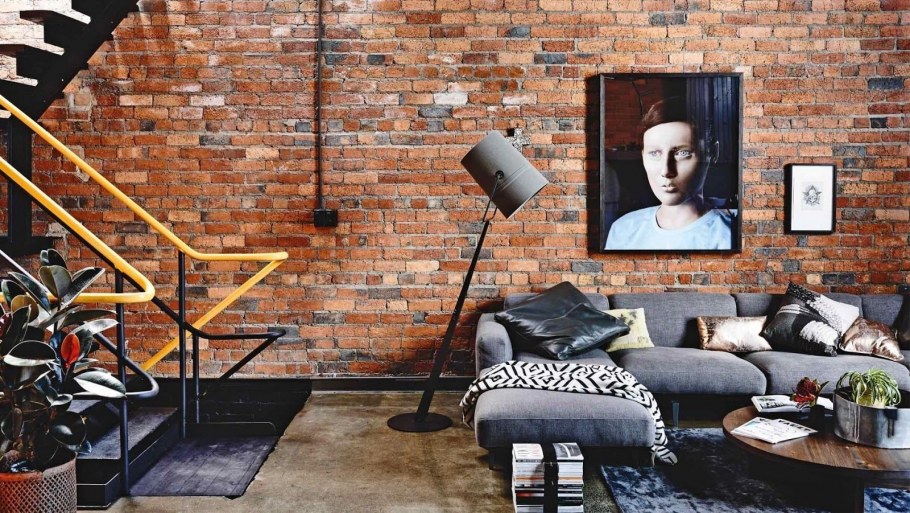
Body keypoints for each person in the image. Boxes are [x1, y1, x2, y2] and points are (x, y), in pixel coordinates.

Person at [604, 97, 733, 250]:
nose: (666, 171)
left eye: (683, 153)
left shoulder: (729, 235)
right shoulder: (622, 231)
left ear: (712, 154)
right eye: (654, 153)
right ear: (643, 157)